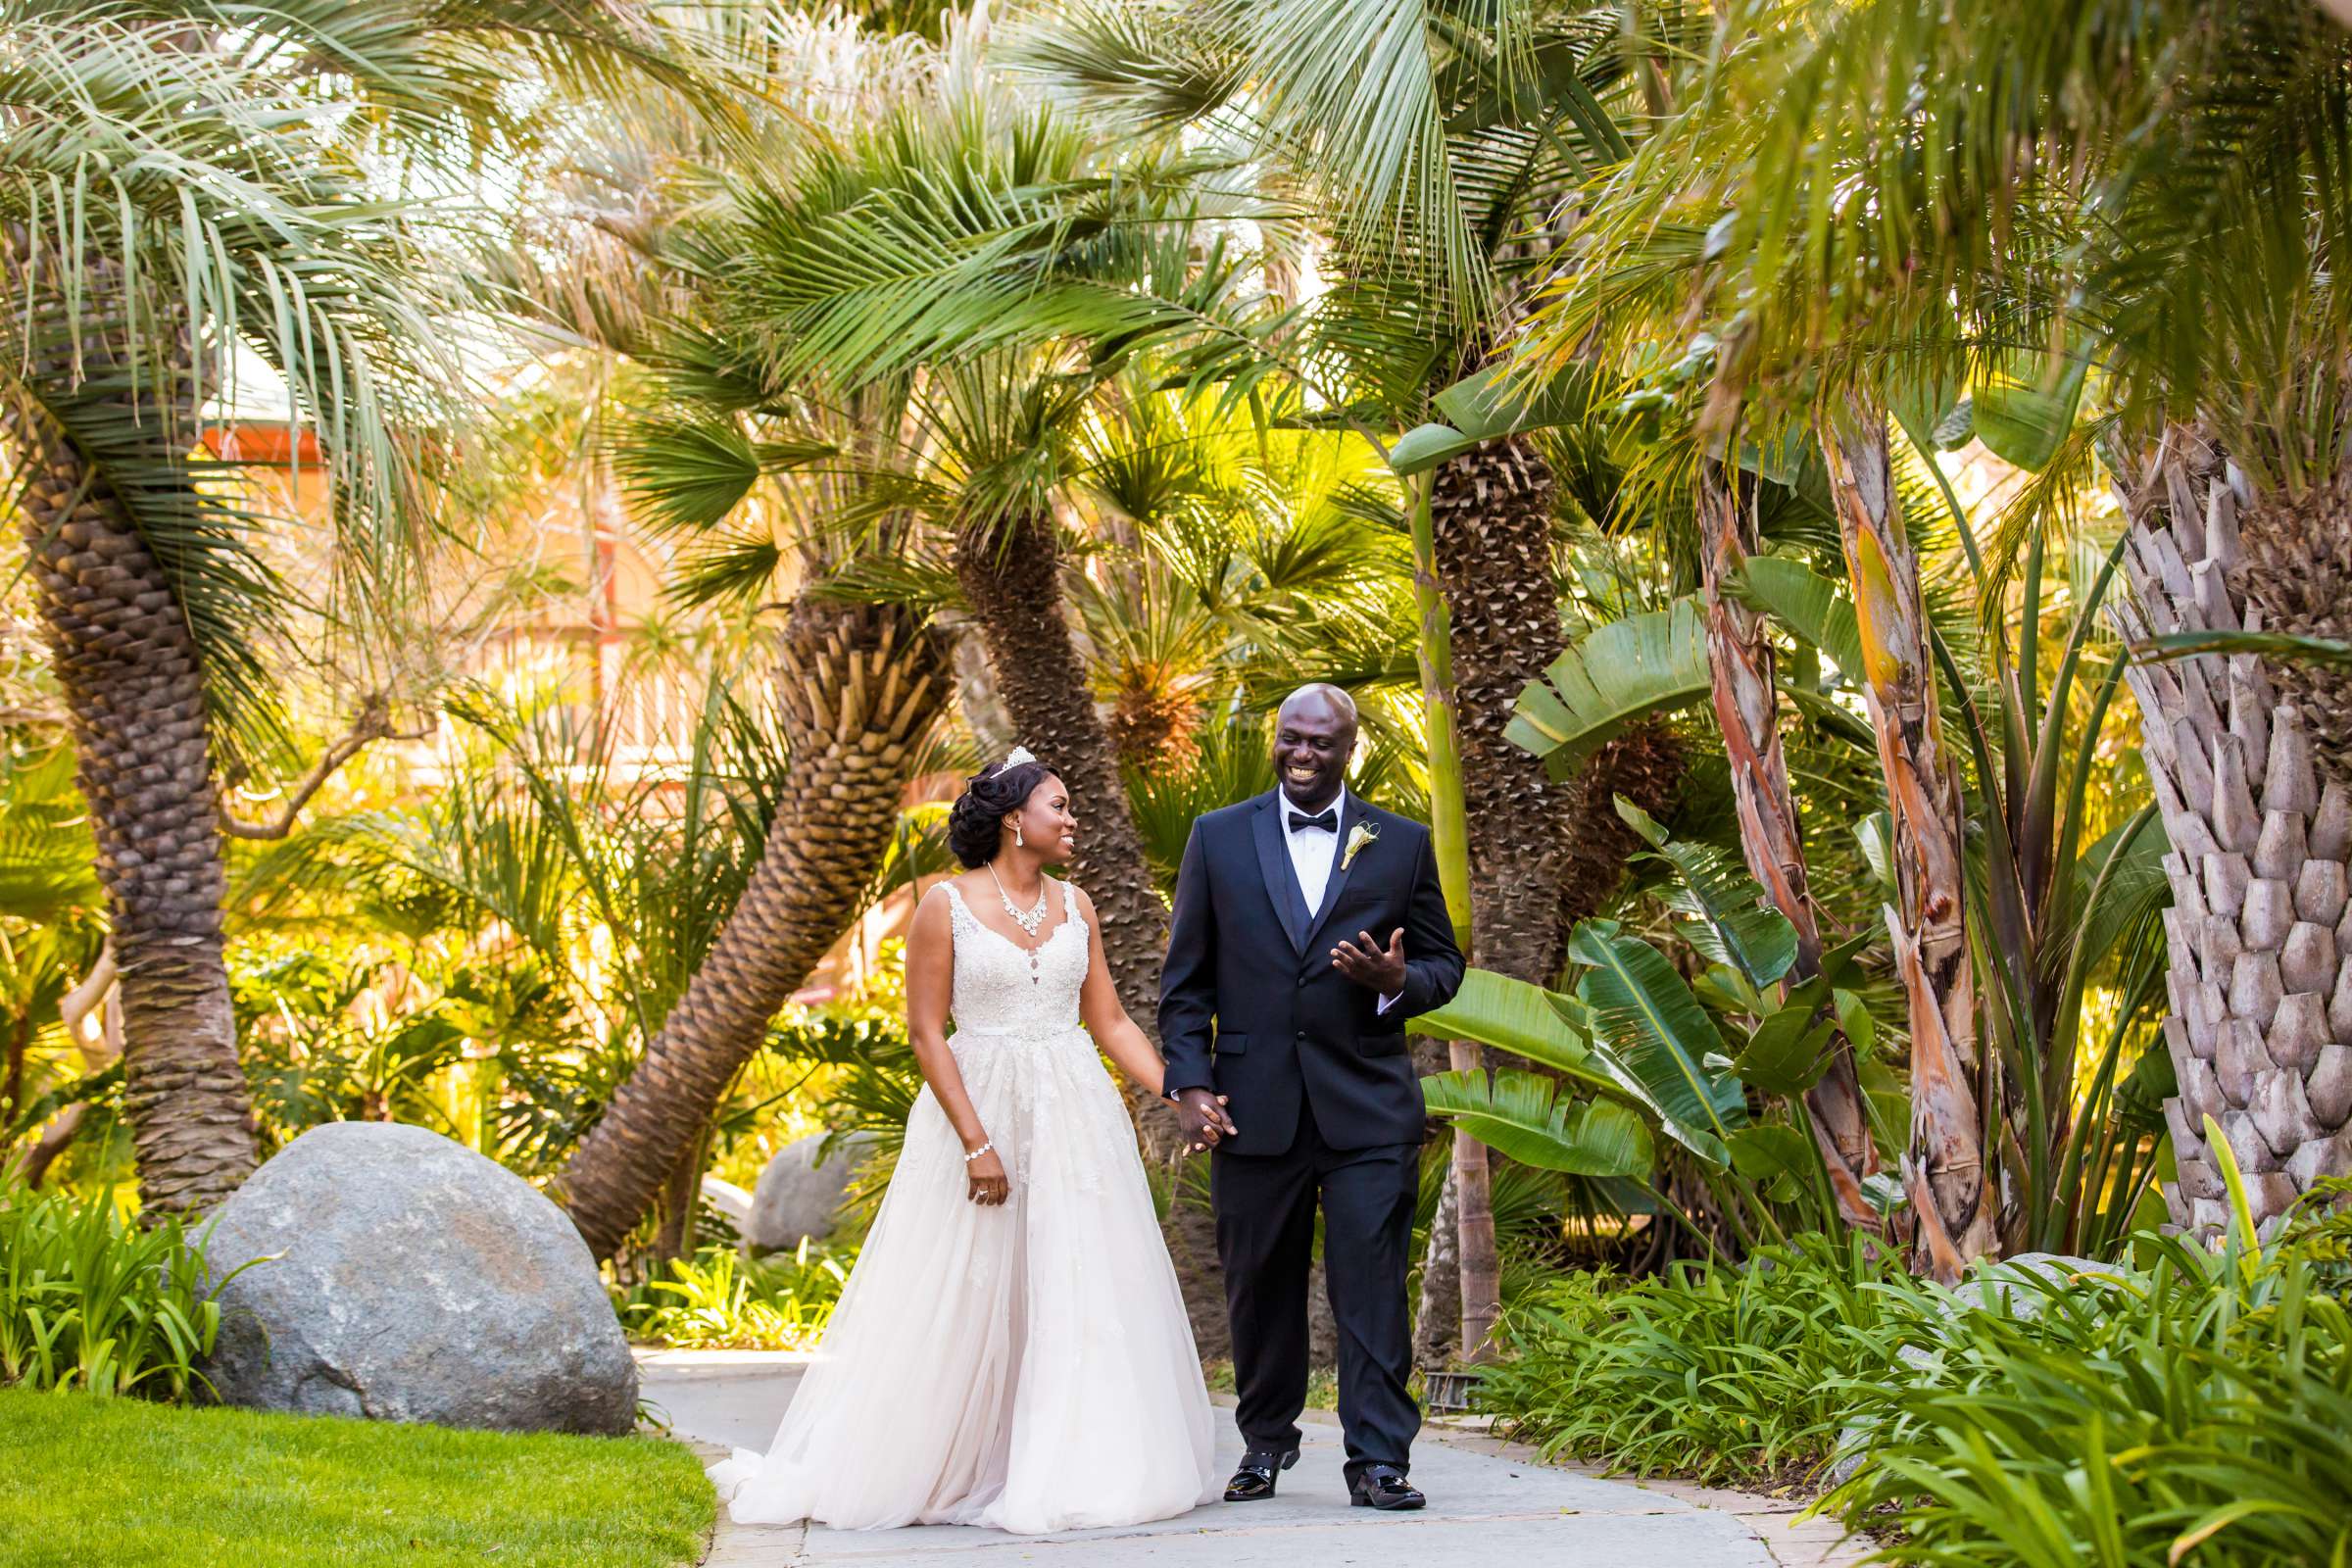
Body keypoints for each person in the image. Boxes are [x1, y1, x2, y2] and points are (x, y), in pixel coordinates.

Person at [709, 749, 1222, 1534]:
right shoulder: (942, 906)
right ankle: (939, 1459)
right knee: (968, 1282)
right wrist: (978, 1143)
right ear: (1016, 818)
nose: (1073, 818)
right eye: (1059, 804)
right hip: (977, 1106)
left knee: (1078, 1277)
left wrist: (1179, 1093)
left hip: (1074, 1110)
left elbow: (1110, 1020)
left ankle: (1071, 1460)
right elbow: (925, 1032)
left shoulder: (1078, 905)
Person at [1158, 683, 1466, 1511]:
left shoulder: (1398, 844)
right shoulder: (1218, 839)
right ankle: (1264, 1443)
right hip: (1251, 1104)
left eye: (1320, 743)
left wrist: (1395, 983)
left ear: (1348, 750)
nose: (1302, 754)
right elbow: (1184, 982)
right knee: (1260, 1285)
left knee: (1370, 1283)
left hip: (1366, 1103)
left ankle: (1377, 1462)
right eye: (1290, 738)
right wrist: (1189, 1083)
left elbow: (1444, 964)